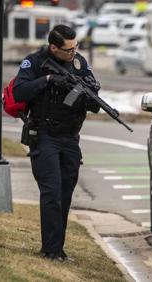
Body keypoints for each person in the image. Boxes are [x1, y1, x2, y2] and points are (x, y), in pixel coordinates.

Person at [13, 24, 100, 261]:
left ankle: (57, 248)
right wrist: (49, 80)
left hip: (70, 138)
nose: (73, 53)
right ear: (54, 47)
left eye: (76, 47)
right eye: (68, 50)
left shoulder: (79, 63)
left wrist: (87, 95)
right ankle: (50, 250)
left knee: (65, 194)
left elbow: (92, 90)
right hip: (45, 136)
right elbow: (19, 92)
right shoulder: (35, 62)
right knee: (51, 192)